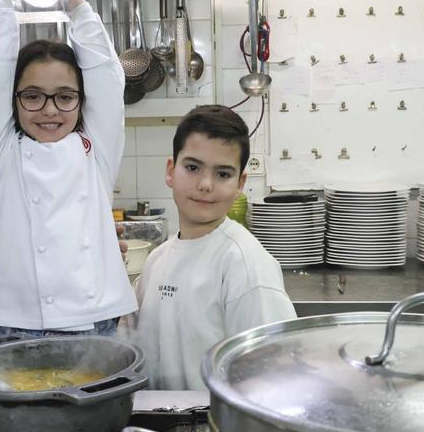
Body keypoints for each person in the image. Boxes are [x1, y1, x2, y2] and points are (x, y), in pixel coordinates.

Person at [0, 0, 137, 339]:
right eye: (32, 95)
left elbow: (107, 74)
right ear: (14, 99)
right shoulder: (0, 150)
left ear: (80, 100)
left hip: (93, 320)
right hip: (11, 322)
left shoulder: (97, 149)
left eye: (64, 96)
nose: (49, 110)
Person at [119, 105, 296, 390]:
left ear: (240, 183)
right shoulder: (157, 260)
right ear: (170, 171)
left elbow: (276, 376)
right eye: (192, 168)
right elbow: (128, 348)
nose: (205, 185)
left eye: (223, 174)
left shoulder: (245, 264)